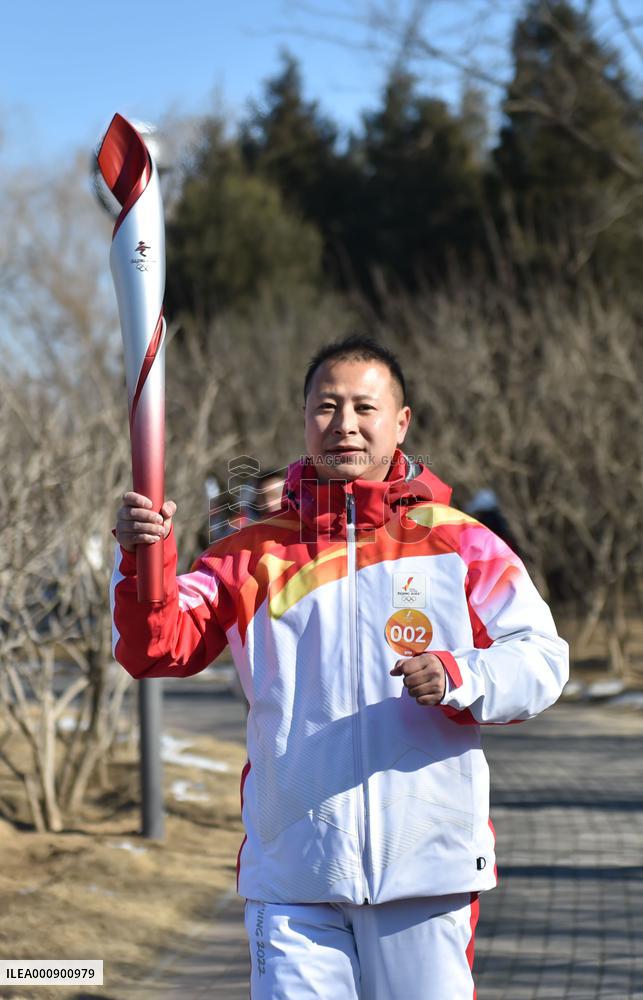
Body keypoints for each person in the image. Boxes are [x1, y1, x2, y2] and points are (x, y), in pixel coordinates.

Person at [111, 336, 568, 999]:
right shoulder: (250, 554)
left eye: (364, 407)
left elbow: (541, 658)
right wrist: (143, 561)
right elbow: (158, 647)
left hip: (426, 872)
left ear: (400, 422)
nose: (344, 424)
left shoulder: (461, 543)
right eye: (326, 407)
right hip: (292, 875)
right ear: (304, 419)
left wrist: (460, 676)